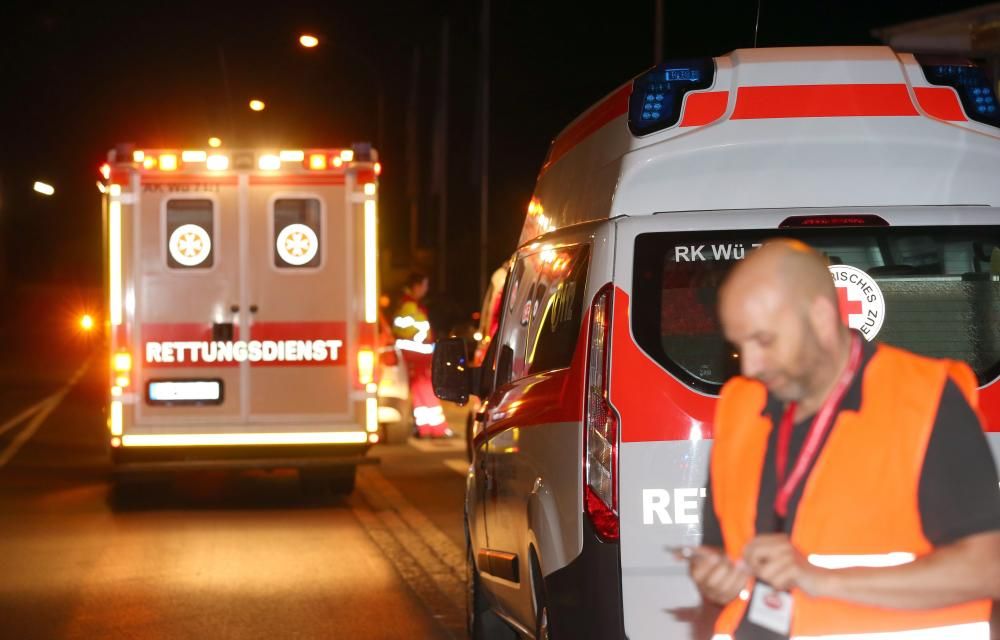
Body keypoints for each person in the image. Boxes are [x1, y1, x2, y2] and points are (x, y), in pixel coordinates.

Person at [689, 239, 1000, 639]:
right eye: (739, 345)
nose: (749, 365)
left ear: (820, 318)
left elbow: (988, 566)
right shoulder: (740, 405)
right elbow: (720, 546)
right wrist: (715, 574)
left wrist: (823, 580)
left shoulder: (924, 399)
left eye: (764, 341)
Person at [392, 271, 451, 438]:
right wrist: (424, 340)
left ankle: (427, 427)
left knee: (421, 391)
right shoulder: (410, 307)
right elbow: (410, 331)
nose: (426, 289)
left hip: (416, 355)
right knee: (424, 390)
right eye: (425, 285)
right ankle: (433, 428)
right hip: (417, 355)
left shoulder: (408, 304)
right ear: (416, 286)